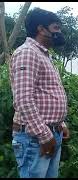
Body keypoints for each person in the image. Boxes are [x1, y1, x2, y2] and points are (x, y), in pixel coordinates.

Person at [9, 8, 70, 178]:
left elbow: (46, 92)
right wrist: (44, 135)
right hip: (34, 138)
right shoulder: (27, 53)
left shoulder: (43, 55)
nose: (59, 32)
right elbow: (23, 100)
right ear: (41, 29)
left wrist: (61, 124)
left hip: (50, 132)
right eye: (56, 27)